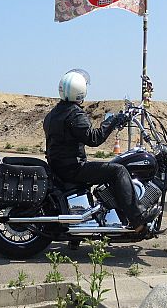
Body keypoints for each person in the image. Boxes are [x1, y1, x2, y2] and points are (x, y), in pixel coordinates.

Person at [43, 69, 159, 231]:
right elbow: (94, 138)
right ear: (81, 91)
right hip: (73, 169)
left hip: (60, 166)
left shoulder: (53, 114)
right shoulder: (74, 114)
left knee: (111, 168)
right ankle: (136, 217)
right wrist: (113, 120)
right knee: (118, 171)